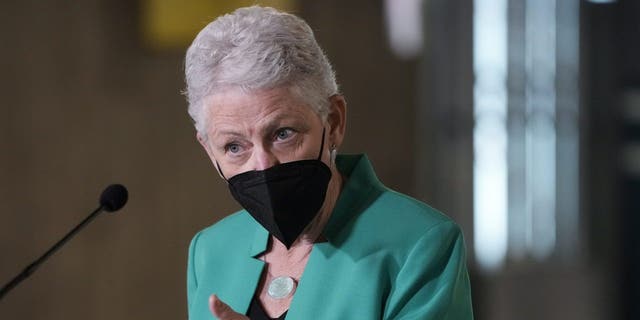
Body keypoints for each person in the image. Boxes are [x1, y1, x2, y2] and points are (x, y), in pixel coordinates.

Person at [183, 6, 473, 320]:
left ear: (333, 122)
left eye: (282, 133)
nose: (263, 165)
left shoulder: (419, 244)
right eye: (234, 146)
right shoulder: (210, 250)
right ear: (209, 150)